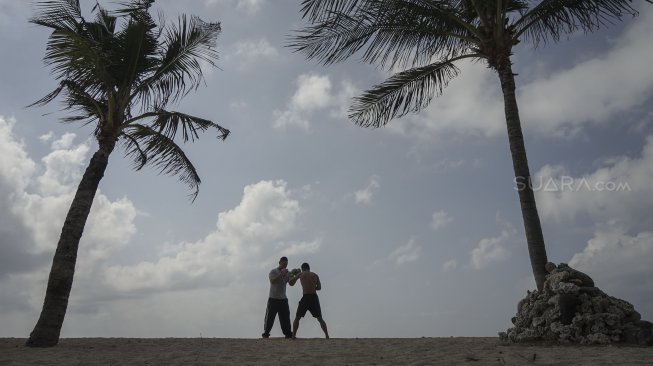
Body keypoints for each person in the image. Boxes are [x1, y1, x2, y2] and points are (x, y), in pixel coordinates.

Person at [289, 262, 329, 339]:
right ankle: (327, 335)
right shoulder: (315, 275)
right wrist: (313, 287)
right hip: (314, 297)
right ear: (309, 268)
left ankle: (293, 336)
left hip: (306, 297)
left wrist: (291, 274)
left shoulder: (301, 274)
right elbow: (319, 288)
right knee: (320, 318)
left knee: (297, 318)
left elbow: (291, 282)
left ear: (302, 269)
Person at [262, 256, 293, 339]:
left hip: (283, 299)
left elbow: (291, 283)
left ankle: (288, 334)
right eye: (283, 264)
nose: (285, 266)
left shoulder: (288, 273)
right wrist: (281, 274)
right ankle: (266, 334)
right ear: (279, 262)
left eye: (286, 264)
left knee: (285, 318)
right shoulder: (273, 271)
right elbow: (272, 281)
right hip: (273, 298)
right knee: (269, 318)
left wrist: (296, 276)